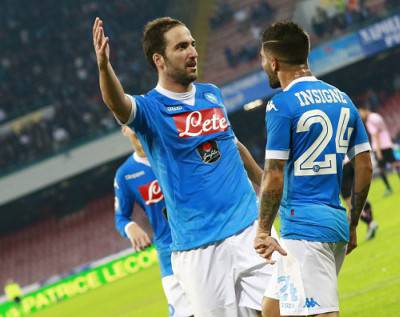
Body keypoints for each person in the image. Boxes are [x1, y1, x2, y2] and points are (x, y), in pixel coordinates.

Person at [93, 17, 270, 317]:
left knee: (287, 306)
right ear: (159, 59)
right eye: (181, 47)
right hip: (199, 249)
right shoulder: (150, 109)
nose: (192, 52)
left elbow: (233, 146)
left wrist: (268, 186)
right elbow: (118, 103)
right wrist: (103, 67)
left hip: (250, 229)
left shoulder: (211, 93)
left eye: (193, 44)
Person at [253, 21, 373, 317]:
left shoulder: (281, 104)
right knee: (272, 310)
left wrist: (263, 229)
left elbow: (275, 173)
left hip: (304, 229)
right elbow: (365, 165)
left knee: (320, 313)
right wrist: (353, 222)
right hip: (334, 222)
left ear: (274, 61)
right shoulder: (342, 99)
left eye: (263, 61)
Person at [114, 126, 193, 317]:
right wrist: (129, 226)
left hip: (202, 240)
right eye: (133, 127)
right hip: (169, 254)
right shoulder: (125, 174)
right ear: (125, 129)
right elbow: (120, 217)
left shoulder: (175, 151)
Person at [359, 104, 400, 196]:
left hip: (380, 147)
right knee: (395, 164)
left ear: (364, 110)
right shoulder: (376, 116)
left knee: (381, 169)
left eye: (360, 112)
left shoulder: (369, 120)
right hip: (387, 143)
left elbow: (375, 135)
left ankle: (388, 188)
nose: (360, 115)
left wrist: (378, 151)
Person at [341, 157, 378, 240]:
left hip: (341, 168)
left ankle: (370, 222)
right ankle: (369, 226)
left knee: (351, 205)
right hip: (351, 162)